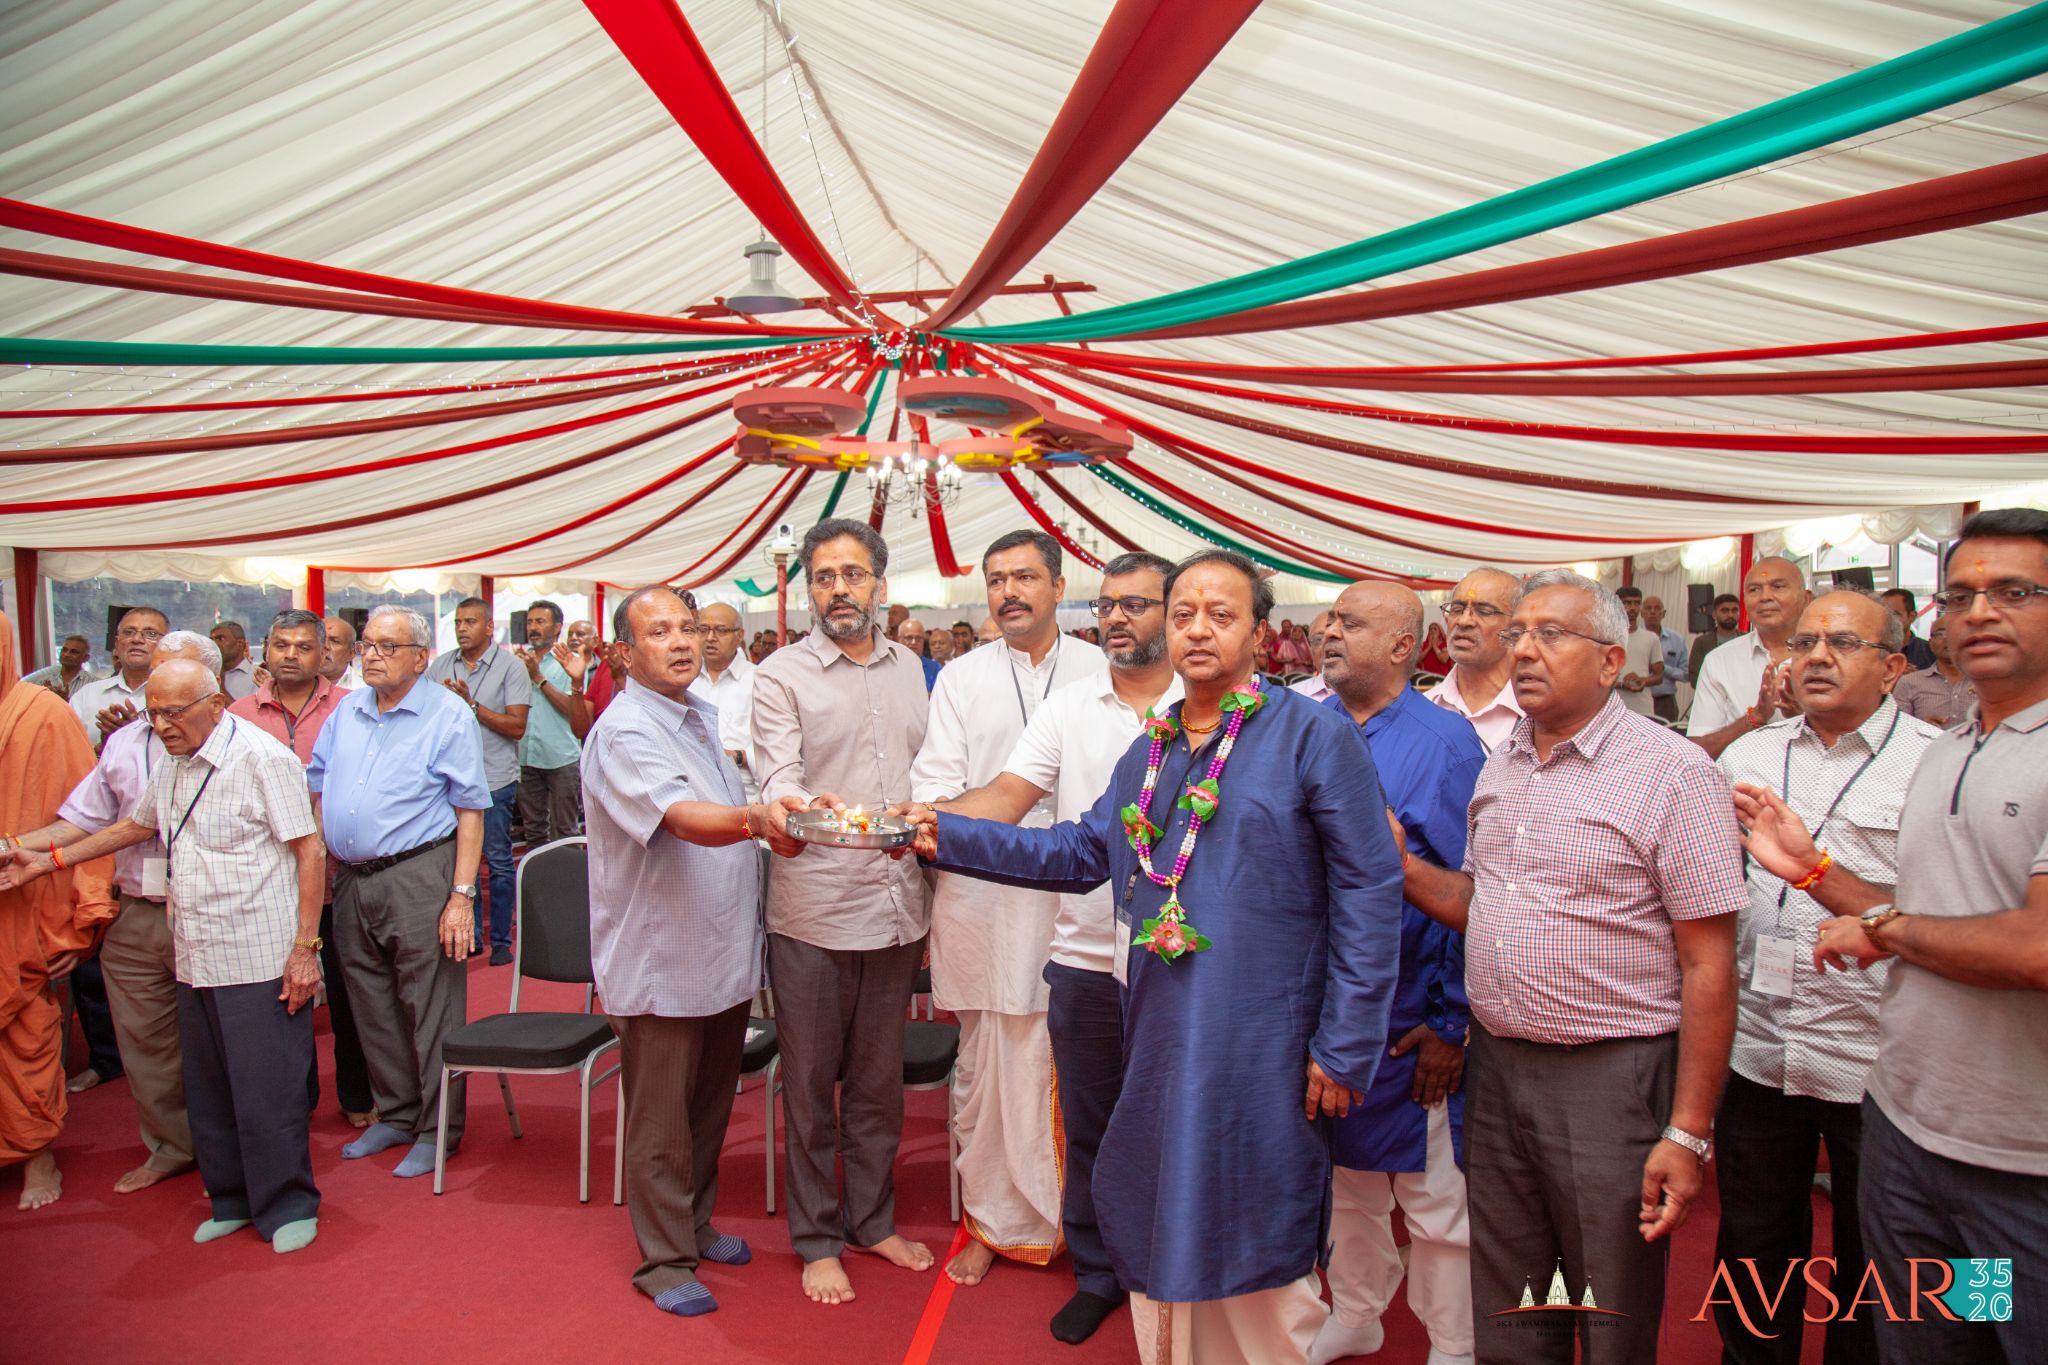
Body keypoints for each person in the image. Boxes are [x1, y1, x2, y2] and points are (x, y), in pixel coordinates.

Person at [910, 549, 1406, 1365]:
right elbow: (1078, 851)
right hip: (1161, 1027)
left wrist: (1346, 1044)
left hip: (1265, 1040)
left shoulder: (1312, 735)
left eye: (1222, 613)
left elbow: (1370, 892)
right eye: (1184, 614)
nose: (1198, 629)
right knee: (1163, 1195)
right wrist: (944, 830)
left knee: (1255, 1209)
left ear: (1259, 630)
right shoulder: (1154, 750)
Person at [1396, 569, 1745, 1364]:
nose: (1522, 648)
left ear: (1612, 661)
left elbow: (1709, 961)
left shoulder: (1672, 771)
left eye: (1550, 634)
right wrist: (1404, 867)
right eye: (1518, 631)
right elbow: (1486, 900)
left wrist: (1689, 1131)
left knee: (1611, 1304)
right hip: (1499, 1068)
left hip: (1612, 1078)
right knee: (1514, 1305)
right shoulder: (1505, 761)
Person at [1733, 508, 2048, 1365]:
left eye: (2015, 591)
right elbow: (1904, 914)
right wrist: (1811, 872)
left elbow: (2035, 948)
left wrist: (1885, 925)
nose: (1980, 612)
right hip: (1901, 1118)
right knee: (1914, 1332)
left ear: (1893, 661)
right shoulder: (1960, 748)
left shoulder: (1941, 749)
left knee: (2001, 1333)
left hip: (2015, 1156)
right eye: (1963, 594)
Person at [910, 551, 1177, 1343]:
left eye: (1139, 603)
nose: (1120, 617)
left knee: (1175, 1119)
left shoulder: (1216, 706)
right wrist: (926, 819)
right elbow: (1005, 796)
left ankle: (1169, 1270)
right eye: (1112, 604)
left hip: (1186, 960)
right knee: (1090, 1120)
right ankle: (1098, 1272)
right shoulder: (1071, 705)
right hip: (1085, 944)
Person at [4, 658, 327, 1251]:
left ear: (214, 703)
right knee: (207, 1089)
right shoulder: (175, 760)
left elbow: (310, 852)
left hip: (257, 954)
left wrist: (305, 949)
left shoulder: (263, 757)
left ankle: (287, 1206)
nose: (160, 724)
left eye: (173, 712)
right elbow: (135, 826)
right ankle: (230, 1196)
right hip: (195, 950)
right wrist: (48, 860)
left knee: (267, 1089)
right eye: (153, 712)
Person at [1711, 590, 1938, 1364]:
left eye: (1843, 642)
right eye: (1805, 641)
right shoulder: (1747, 757)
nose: (1816, 656)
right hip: (1762, 1047)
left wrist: (1822, 876)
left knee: (1878, 1262)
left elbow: (1952, 923)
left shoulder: (1935, 763)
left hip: (1880, 1060)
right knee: (1749, 1249)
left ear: (1894, 667)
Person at [583, 585, 808, 1317]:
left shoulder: (696, 716)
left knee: (710, 1105)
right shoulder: (624, 730)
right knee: (660, 1120)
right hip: (661, 959)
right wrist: (756, 818)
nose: (682, 641)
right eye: (659, 631)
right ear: (624, 651)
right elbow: (680, 817)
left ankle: (696, 1221)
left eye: (689, 627)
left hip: (718, 953)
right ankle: (662, 1259)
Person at [911, 530, 1107, 1288]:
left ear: (1060, 586)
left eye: (1025, 576)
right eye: (996, 580)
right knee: (985, 1066)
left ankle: (1081, 1221)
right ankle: (989, 1220)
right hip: (985, 898)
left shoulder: (1100, 668)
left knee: (1073, 1062)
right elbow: (937, 781)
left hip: (1081, 896)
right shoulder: (959, 677)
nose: (1009, 591)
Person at [749, 518, 937, 1306]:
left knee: (876, 1082)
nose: (839, 590)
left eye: (852, 575)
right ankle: (817, 1237)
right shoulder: (780, 674)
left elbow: (937, 765)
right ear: (810, 588)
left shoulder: (916, 671)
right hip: (814, 909)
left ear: (879, 584)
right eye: (824, 577)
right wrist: (800, 806)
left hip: (897, 907)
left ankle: (871, 1219)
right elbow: (777, 781)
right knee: (811, 1084)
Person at [1313, 581, 1483, 1365]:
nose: (1328, 631)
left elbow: (1465, 889)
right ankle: (1356, 1310)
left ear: (1403, 647)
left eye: (1351, 622)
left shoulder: (1445, 742)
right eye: (1329, 619)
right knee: (1345, 1182)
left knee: (1434, 1198)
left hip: (1410, 1006)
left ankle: (1453, 1341)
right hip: (1326, 1006)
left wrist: (1450, 1022)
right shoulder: (1304, 725)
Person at [29, 631, 219, 1195]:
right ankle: (171, 1148)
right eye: (153, 678)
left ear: (210, 691)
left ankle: (230, 1157)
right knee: (145, 1043)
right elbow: (84, 819)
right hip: (137, 911)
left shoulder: (242, 744)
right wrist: (19, 844)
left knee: (221, 1040)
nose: (158, 697)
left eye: (176, 683)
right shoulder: (124, 742)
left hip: (213, 910)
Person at [308, 605, 490, 1178]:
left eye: (388, 646)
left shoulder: (448, 714)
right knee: (370, 1004)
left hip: (419, 873)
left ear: (419, 656)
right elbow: (318, 787)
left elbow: (470, 810)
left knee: (429, 1005)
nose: (373, 655)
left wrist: (461, 895)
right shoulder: (346, 713)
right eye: (367, 645)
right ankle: (398, 1112)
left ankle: (439, 1128)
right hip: (351, 878)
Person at [230, 610, 374, 1124]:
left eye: (303, 647)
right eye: (281, 644)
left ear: (324, 655)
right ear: (265, 650)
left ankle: (359, 1096)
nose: (291, 654)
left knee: (349, 996)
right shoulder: (236, 714)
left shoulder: (354, 708)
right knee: (281, 1000)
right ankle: (297, 1100)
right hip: (266, 886)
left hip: (339, 879)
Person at [0, 610, 117, 1210]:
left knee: (28, 1034)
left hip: (22, 904)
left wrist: (79, 916)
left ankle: (35, 1158)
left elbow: (90, 819)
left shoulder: (41, 716)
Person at [427, 597, 530, 966]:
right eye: (458, 622)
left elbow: (516, 727)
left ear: (489, 627)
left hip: (495, 778)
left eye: (470, 621)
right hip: (452, 784)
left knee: (498, 861)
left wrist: (471, 706)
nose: (461, 628)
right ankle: (474, 936)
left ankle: (502, 941)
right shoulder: (441, 666)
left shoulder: (511, 668)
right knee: (464, 863)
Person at [1690, 557, 1811, 759]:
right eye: (1754, 589)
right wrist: (1755, 717)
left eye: (1778, 586)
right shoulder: (1719, 661)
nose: (1765, 597)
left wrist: (1806, 717)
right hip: (1742, 787)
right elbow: (1698, 752)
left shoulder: (1829, 657)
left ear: (1806, 598)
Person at [514, 599, 587, 846]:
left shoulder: (571, 662)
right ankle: (536, 883)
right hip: (526, 757)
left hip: (561, 758)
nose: (533, 627)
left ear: (557, 628)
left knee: (565, 832)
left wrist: (538, 678)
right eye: (530, 622)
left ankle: (565, 885)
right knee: (533, 832)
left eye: (540, 622)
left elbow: (571, 709)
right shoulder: (518, 662)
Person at [1427, 568, 1525, 751]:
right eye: (1456, 609)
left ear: (1516, 627)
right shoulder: (1425, 708)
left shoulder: (1538, 714)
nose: (1464, 621)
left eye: (1484, 611)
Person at [71, 606, 169, 747]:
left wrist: (136, 734)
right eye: (128, 632)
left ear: (166, 645)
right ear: (116, 644)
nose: (137, 639)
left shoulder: (181, 697)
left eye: (151, 634)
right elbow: (68, 754)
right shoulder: (86, 696)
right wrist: (103, 749)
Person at [691, 603, 756, 771]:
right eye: (703, 630)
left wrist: (737, 757)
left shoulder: (759, 680)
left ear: (740, 635)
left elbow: (775, 747)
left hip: (745, 788)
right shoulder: (685, 681)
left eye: (721, 630)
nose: (710, 638)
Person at [1891, 616, 1975, 726]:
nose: (1947, 639)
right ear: (1930, 643)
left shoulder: (1985, 682)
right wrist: (1922, 728)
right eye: (1940, 634)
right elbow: (1896, 729)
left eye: (1955, 632)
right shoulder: (1909, 683)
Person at [1614, 585, 1665, 717]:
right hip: (1613, 706)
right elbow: (1596, 676)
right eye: (1627, 603)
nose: (1633, 607)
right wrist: (1621, 684)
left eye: (1637, 603)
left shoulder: (1651, 638)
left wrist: (1642, 681)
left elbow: (1659, 676)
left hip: (1642, 707)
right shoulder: (1606, 638)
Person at [1643, 594, 1688, 723]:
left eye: (1657, 609)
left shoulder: (1677, 640)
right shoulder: (1631, 638)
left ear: (1664, 613)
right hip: (1638, 698)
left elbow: (1686, 675)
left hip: (1666, 701)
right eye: (1648, 608)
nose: (1652, 612)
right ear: (1642, 613)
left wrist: (1663, 668)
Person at [1690, 591, 1745, 686]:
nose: (1730, 615)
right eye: (1725, 611)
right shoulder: (1702, 642)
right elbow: (1695, 678)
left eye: (1735, 610)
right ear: (1714, 614)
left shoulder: (1747, 639)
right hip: (1710, 696)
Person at [22, 635, 98, 700]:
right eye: (64, 650)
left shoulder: (94, 683)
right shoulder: (43, 680)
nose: (66, 654)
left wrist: (66, 700)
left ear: (86, 658)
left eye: (73, 652)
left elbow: (90, 713)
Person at [1878, 587, 1937, 670]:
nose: (1888, 619)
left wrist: (1915, 678)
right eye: (1884, 613)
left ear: (1912, 616)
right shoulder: (1871, 649)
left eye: (1895, 614)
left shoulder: (1930, 652)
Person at [568, 618, 615, 718]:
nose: (573, 638)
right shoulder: (561, 667)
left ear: (595, 640)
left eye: (580, 634)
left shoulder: (605, 669)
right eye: (570, 634)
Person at [210, 622, 259, 701]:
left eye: (220, 639)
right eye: (211, 640)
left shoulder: (258, 676)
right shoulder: (206, 674)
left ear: (240, 643)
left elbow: (248, 713)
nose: (214, 644)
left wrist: (220, 687)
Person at [897, 617, 943, 691]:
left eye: (918, 638)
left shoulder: (935, 668)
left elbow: (939, 697)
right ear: (899, 639)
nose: (913, 642)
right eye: (909, 637)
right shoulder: (889, 666)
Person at [321, 614, 364, 690]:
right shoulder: (294, 685)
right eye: (320, 639)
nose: (325, 646)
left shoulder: (363, 690)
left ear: (351, 653)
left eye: (335, 641)